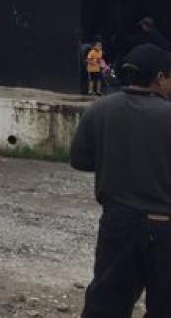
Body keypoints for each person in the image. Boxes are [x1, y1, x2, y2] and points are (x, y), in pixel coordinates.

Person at [70, 43, 171, 316]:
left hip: (118, 223)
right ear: (160, 77)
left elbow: (80, 161)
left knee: (106, 306)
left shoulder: (99, 109)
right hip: (165, 228)